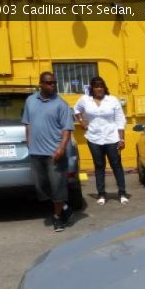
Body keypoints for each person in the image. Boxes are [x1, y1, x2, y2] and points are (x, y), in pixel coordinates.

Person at [22, 71, 75, 232]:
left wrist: (61, 148)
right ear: (41, 84)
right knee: (42, 188)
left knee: (58, 187)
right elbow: (28, 123)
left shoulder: (61, 104)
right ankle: (65, 207)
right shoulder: (30, 101)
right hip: (36, 153)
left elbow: (67, 130)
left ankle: (58, 217)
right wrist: (30, 144)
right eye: (49, 83)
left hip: (55, 154)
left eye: (54, 83)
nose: (52, 85)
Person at [74, 76, 127, 205]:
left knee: (116, 165)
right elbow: (76, 109)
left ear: (104, 87)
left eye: (101, 86)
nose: (99, 89)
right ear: (92, 88)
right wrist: (81, 121)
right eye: (96, 86)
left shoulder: (112, 100)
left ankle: (122, 193)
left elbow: (120, 119)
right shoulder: (85, 100)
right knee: (99, 165)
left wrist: (121, 139)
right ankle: (101, 194)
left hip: (112, 137)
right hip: (94, 138)